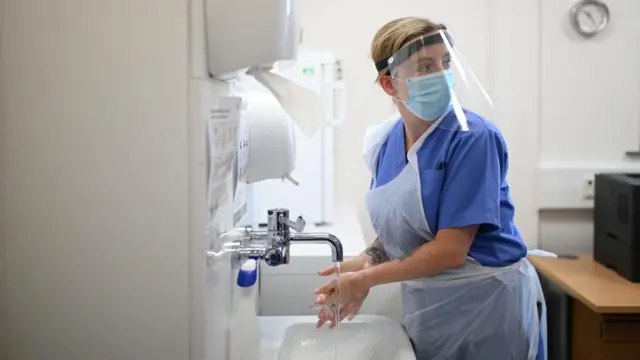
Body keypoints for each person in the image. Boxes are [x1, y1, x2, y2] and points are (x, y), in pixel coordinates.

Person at [312, 17, 548, 360]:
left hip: (487, 305)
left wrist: (366, 280)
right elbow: (406, 228)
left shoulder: (473, 139)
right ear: (389, 85)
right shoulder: (384, 143)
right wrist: (366, 260)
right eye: (425, 66)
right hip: (430, 304)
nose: (442, 74)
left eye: (446, 62)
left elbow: (449, 250)